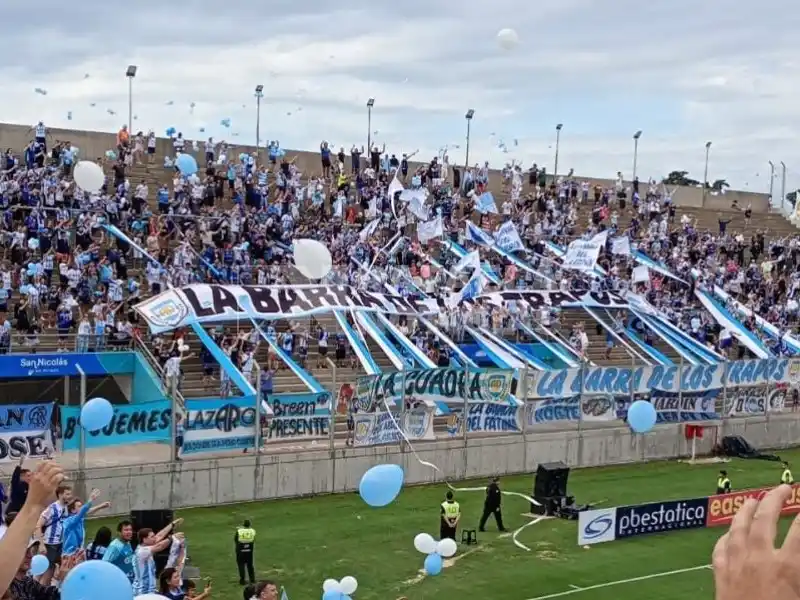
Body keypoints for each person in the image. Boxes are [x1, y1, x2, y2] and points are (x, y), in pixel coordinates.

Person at [33, 483, 72, 585]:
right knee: (45, 571)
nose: (70, 496)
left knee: (55, 569)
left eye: (70, 494)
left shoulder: (66, 507)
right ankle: (35, 591)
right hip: (50, 544)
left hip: (60, 543)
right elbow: (38, 526)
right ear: (60, 494)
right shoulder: (52, 508)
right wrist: (41, 544)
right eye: (67, 494)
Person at [132, 520, 184, 595]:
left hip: (148, 591)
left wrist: (172, 525)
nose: (155, 538)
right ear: (144, 539)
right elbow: (160, 546)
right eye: (152, 537)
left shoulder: (146, 547)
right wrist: (172, 538)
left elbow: (159, 536)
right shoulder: (142, 551)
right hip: (142, 592)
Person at [235, 519, 256, 585]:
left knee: (241, 565)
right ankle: (252, 580)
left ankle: (242, 580)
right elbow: (253, 539)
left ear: (243, 524)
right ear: (249, 524)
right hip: (249, 550)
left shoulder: (239, 531)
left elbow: (236, 539)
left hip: (240, 550)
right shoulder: (252, 531)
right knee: (250, 565)